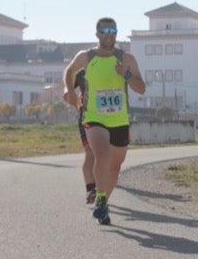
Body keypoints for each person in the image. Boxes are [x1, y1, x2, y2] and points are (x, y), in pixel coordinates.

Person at [63, 18, 147, 226]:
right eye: (104, 30)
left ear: (116, 33)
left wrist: (126, 75)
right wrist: (69, 90)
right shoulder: (86, 57)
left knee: (115, 167)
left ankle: (103, 201)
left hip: (119, 119)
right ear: (97, 33)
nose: (109, 34)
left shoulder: (126, 59)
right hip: (94, 117)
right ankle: (100, 198)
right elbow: (69, 71)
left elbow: (141, 88)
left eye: (113, 30)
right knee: (102, 154)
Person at [71, 68, 98, 205]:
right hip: (86, 117)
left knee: (103, 154)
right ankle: (91, 189)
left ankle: (100, 187)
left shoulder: (110, 67)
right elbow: (66, 90)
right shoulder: (81, 73)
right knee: (90, 153)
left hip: (107, 118)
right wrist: (77, 103)